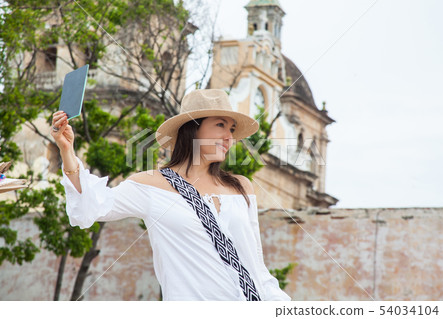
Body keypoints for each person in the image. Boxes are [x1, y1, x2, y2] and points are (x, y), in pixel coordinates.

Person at [51, 89, 291, 301]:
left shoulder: (241, 187)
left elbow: (256, 265)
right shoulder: (151, 185)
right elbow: (91, 206)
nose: (229, 137)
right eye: (220, 125)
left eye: (231, 128)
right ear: (192, 128)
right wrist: (67, 150)